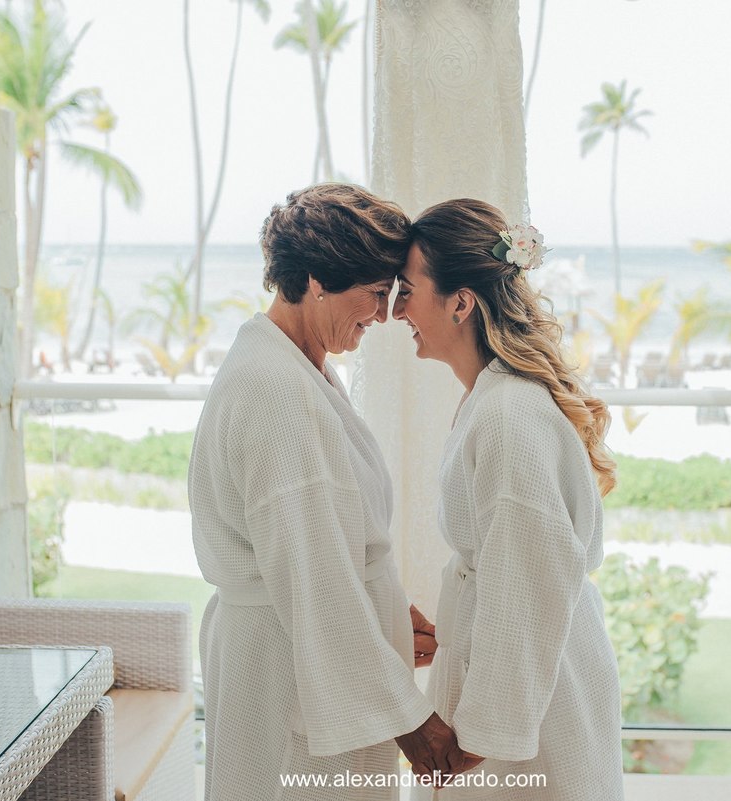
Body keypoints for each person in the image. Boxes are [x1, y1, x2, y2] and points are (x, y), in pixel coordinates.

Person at [189, 184, 465, 801]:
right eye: (375, 292)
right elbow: (314, 575)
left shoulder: (299, 366)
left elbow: (327, 540)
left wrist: (388, 616)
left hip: (303, 650)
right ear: (317, 280)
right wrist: (410, 719)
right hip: (285, 666)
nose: (386, 313)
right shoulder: (274, 392)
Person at [394, 198, 626, 800]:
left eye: (407, 290)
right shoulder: (494, 401)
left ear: (460, 302)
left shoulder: (506, 417)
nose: (398, 311)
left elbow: (528, 578)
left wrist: (478, 735)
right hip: (524, 667)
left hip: (532, 692)